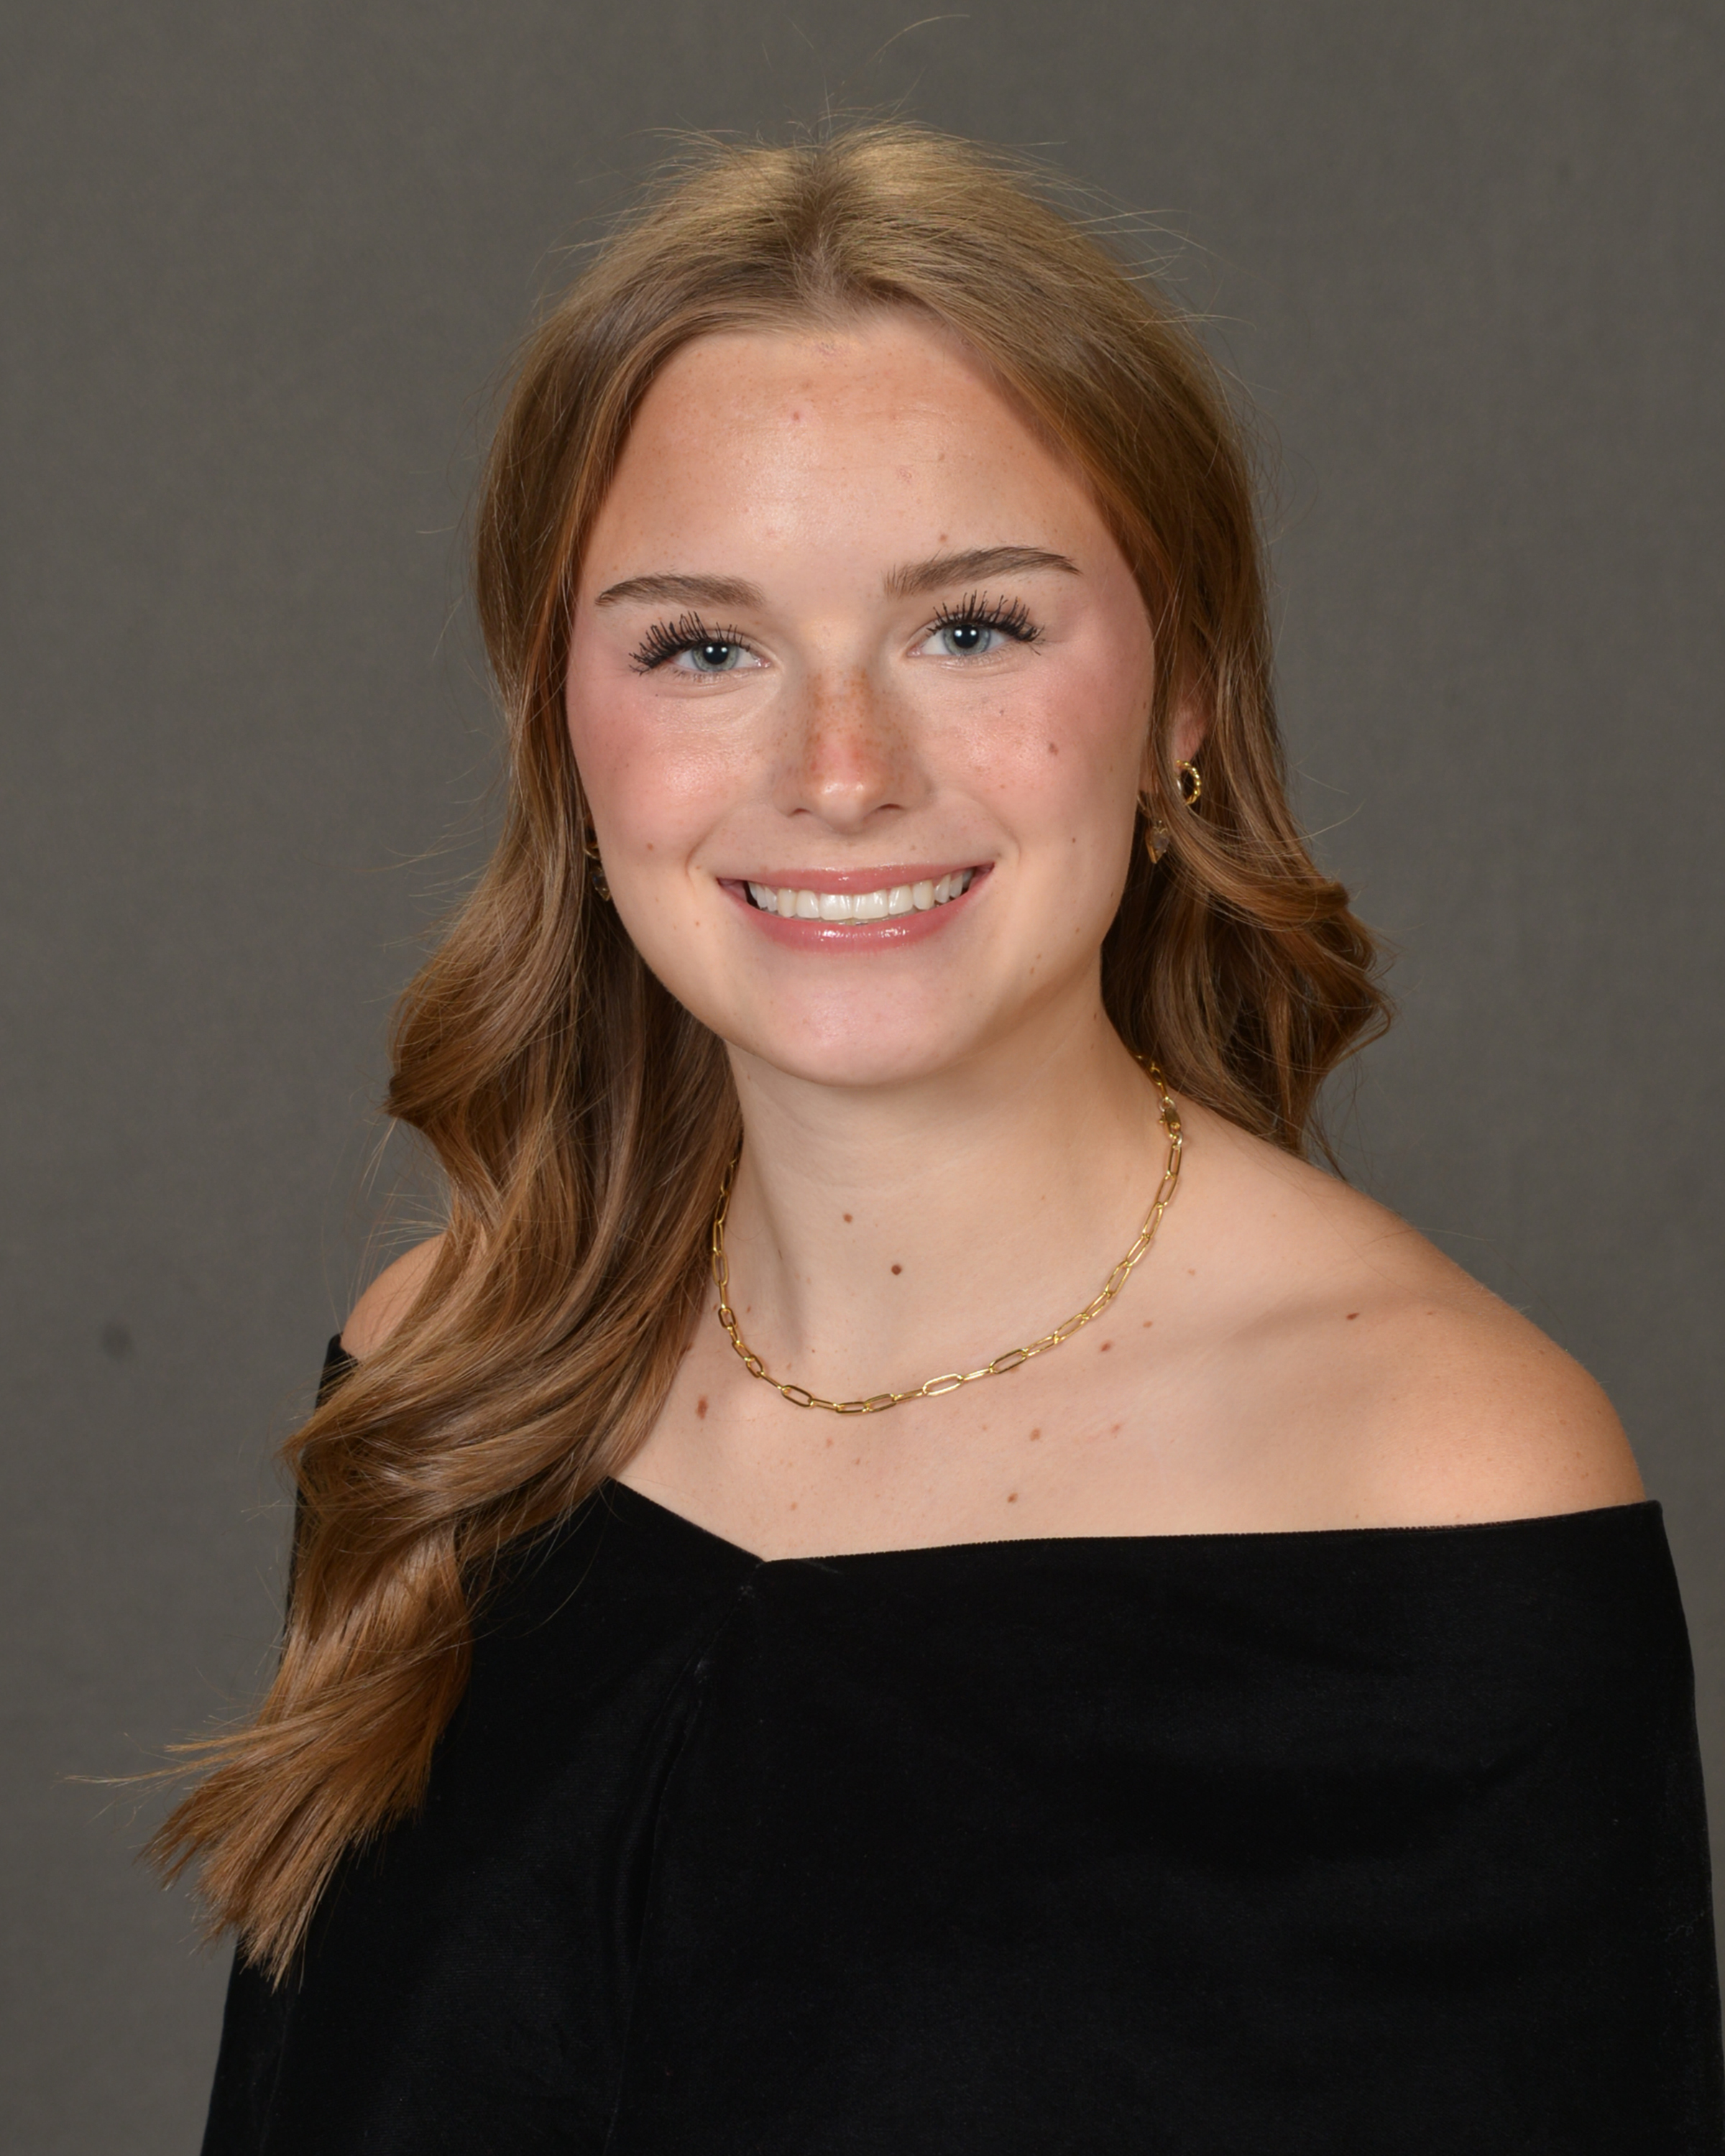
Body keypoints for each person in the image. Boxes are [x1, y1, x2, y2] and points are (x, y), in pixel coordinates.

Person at [163, 124, 1722, 2152]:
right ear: (562, 723)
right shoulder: (449, 1377)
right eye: (703, 645)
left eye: (971, 628)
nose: (841, 772)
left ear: (1181, 692)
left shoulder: (1437, 1476)